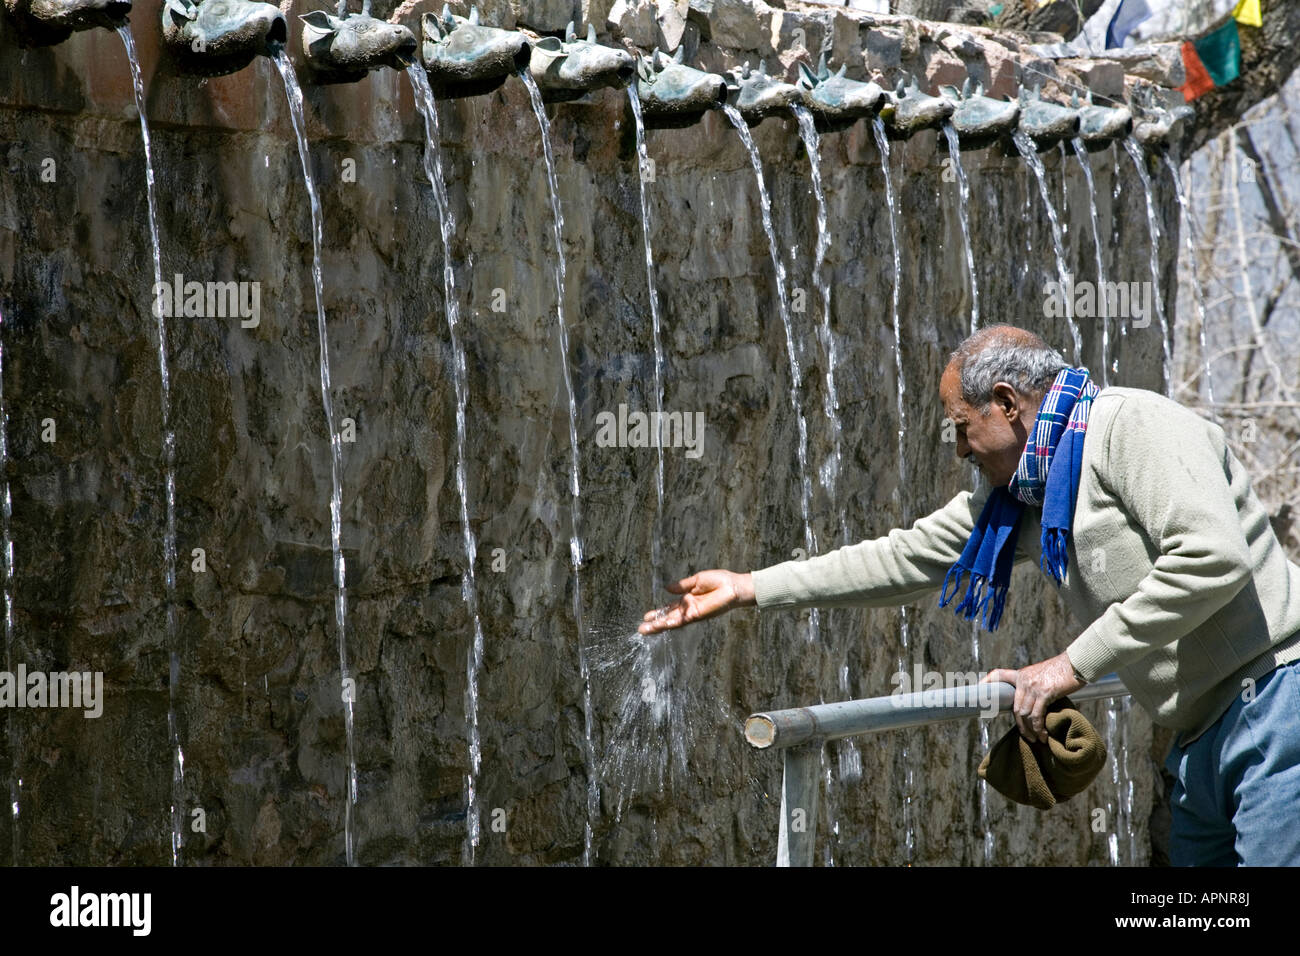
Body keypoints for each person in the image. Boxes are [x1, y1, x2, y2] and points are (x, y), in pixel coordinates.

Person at [640, 324, 1300, 866]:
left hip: (1275, 704)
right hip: (1196, 736)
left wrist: (1069, 666)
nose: (959, 448)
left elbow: (1213, 558)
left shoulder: (1135, 429)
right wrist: (750, 587)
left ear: (1007, 403)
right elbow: (909, 554)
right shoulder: (1024, 494)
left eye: (962, 426)